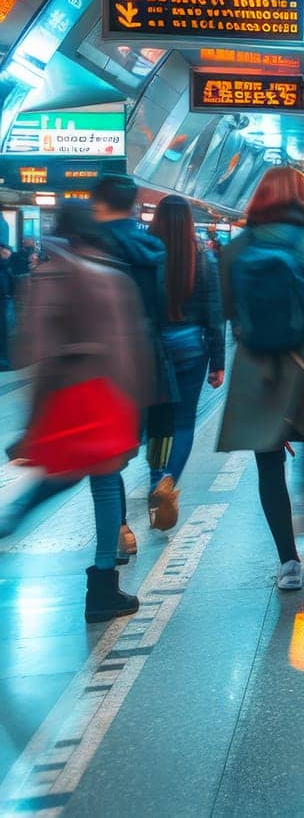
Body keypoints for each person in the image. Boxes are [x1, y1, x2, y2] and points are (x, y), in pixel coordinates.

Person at [5, 204, 153, 621]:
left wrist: (32, 421)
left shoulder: (44, 275)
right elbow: (129, 349)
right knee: (105, 483)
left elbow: (33, 353)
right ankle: (103, 585)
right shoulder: (110, 276)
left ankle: (16, 515)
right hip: (105, 397)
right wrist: (134, 405)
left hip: (64, 397)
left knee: (64, 473)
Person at [217, 167, 304, 591]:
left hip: (257, 367)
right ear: (301, 198)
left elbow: (229, 309)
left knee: (267, 464)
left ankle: (288, 562)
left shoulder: (237, 247)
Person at [91, 173, 174, 561]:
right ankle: (160, 487)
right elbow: (162, 308)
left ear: (98, 203)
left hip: (106, 366)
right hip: (148, 360)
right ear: (135, 204)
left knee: (108, 458)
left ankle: (119, 534)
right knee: (148, 439)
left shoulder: (91, 246)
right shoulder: (151, 247)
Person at [144, 196, 225, 531]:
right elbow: (214, 314)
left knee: (157, 421)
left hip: (153, 348)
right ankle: (168, 482)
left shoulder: (145, 256)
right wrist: (218, 362)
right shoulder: (202, 258)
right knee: (184, 423)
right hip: (192, 345)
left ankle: (153, 482)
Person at [0, 242, 12, 372]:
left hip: (3, 299)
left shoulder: (6, 262)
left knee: (3, 330)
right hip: (4, 298)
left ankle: (3, 360)